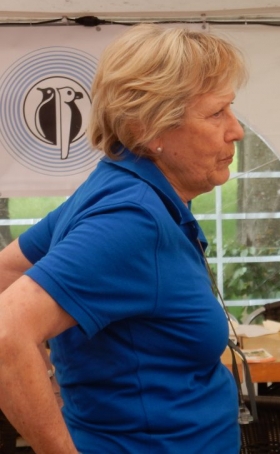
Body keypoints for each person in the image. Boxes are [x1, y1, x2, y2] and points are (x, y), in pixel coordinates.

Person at [0, 24, 246, 453]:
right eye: (216, 113)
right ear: (150, 130)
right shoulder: (131, 219)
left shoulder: (120, 188)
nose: (236, 130)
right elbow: (6, 331)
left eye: (231, 108)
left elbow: (8, 269)